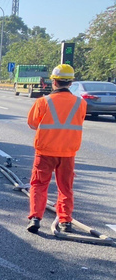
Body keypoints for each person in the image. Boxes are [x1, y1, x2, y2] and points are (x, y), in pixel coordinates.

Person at [25, 64, 86, 234]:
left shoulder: (43, 101)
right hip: (68, 152)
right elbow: (78, 122)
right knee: (65, 187)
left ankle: (36, 218)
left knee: (38, 185)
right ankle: (66, 221)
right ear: (71, 82)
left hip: (45, 151)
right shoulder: (80, 103)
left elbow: (32, 124)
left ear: (53, 82)